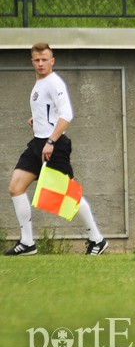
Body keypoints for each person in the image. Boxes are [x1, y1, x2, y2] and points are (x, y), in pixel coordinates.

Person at [6, 43, 107, 256]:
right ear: (32, 61)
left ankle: (97, 239)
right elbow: (51, 113)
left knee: (67, 194)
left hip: (53, 145)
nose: (41, 63)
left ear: (53, 60)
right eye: (37, 60)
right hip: (37, 143)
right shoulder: (40, 84)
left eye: (45, 59)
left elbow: (67, 114)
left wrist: (51, 141)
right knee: (16, 187)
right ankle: (27, 243)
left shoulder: (53, 82)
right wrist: (38, 120)